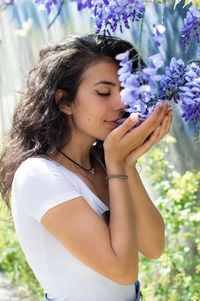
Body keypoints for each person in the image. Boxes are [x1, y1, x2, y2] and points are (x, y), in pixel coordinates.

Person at [0, 34, 173, 301]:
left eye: (126, 90)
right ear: (64, 102)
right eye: (104, 92)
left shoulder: (103, 163)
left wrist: (126, 163)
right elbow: (123, 271)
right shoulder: (38, 175)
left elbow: (153, 246)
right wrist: (117, 166)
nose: (122, 104)